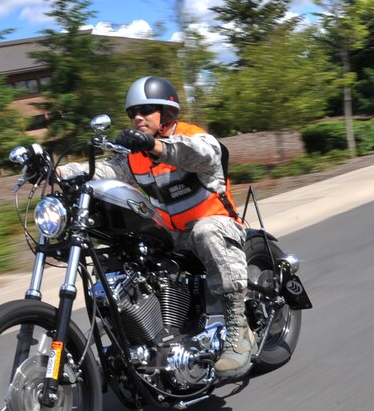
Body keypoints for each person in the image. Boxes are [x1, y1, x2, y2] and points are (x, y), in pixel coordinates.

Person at [57, 76, 255, 378]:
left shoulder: (192, 137)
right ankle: (141, 340)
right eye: (132, 113)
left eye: (146, 110)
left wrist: (154, 145)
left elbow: (200, 154)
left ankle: (238, 330)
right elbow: (102, 170)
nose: (138, 117)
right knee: (124, 251)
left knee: (206, 232)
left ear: (166, 112)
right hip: (172, 235)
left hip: (216, 224)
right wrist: (58, 172)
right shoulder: (135, 157)